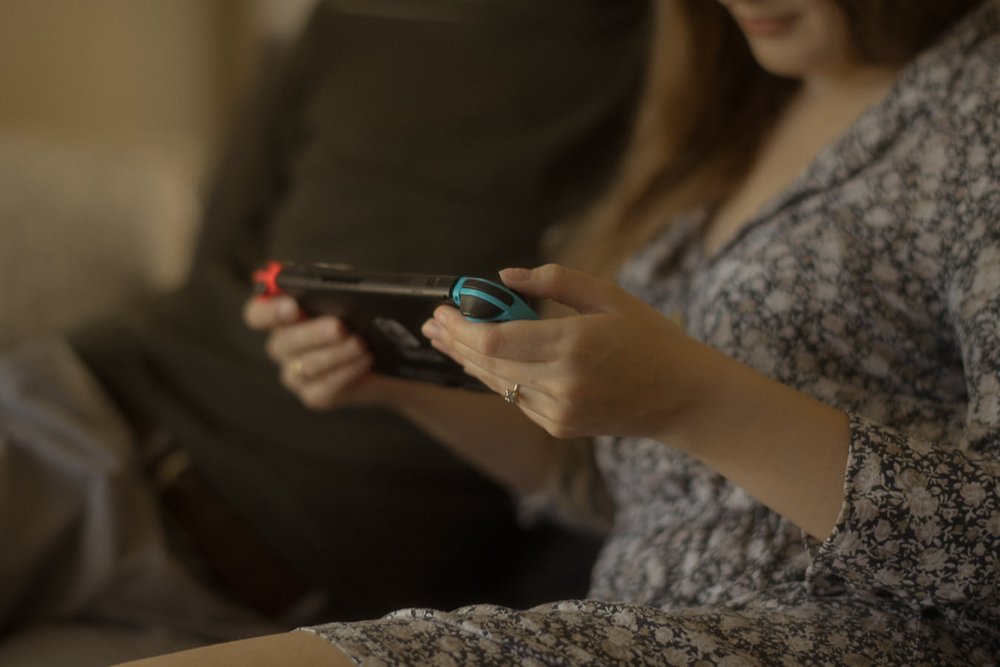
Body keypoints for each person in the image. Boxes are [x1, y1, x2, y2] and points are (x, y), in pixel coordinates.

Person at [126, 0, 1000, 664]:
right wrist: (391, 381)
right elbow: (614, 485)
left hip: (810, 634)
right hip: (625, 619)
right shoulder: (734, 106)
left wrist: (692, 397)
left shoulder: (977, 103)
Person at [0, 0, 652, 657]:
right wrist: (277, 306)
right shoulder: (357, 16)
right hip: (91, 420)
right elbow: (225, 259)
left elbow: (609, 464)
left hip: (256, 607)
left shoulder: (680, 64)